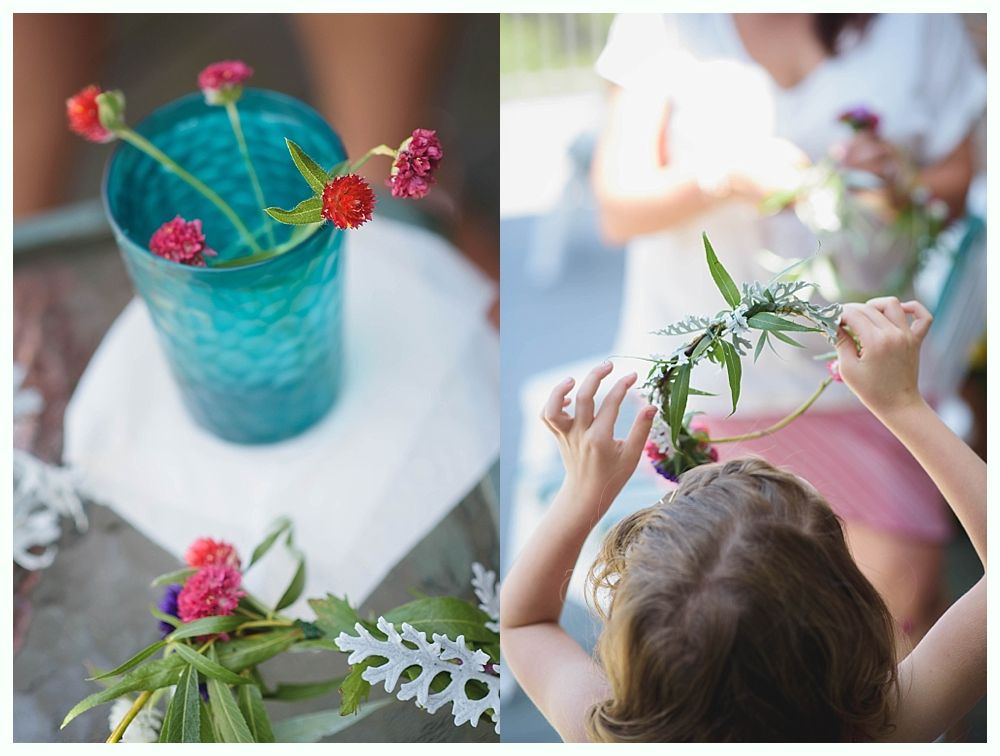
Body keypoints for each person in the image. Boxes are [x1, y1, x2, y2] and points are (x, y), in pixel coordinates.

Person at [590, 13, 985, 646]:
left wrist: (893, 183)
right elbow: (618, 205)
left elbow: (956, 185)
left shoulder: (919, 23)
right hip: (713, 387)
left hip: (870, 382)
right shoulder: (663, 21)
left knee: (893, 620)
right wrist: (721, 174)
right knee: (734, 631)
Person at [500, 297, 985, 742]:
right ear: (846, 609)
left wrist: (582, 491)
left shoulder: (610, 738)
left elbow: (524, 622)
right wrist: (902, 403)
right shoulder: (886, 728)